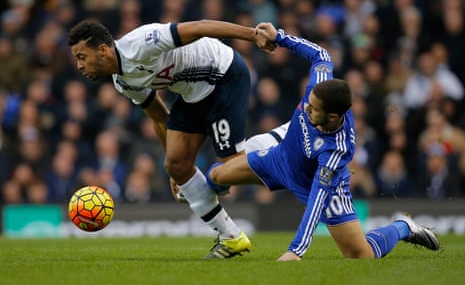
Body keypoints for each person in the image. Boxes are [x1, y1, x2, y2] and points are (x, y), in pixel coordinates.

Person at [206, 23, 440, 261]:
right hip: (281, 158)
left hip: (315, 185)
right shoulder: (319, 86)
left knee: (361, 256)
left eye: (314, 108)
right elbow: (321, 54)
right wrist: (280, 37)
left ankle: (403, 227)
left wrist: (295, 251)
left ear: (332, 118)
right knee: (215, 176)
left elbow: (317, 200)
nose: (306, 107)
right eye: (309, 101)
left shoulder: (336, 150)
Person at [67, 19, 275, 258]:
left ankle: (283, 157)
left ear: (102, 50)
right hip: (191, 94)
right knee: (175, 164)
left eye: (81, 56)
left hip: (223, 75)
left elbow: (200, 27)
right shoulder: (123, 81)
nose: (79, 66)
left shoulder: (140, 43)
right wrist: (177, 173)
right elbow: (158, 116)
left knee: (232, 165)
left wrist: (253, 34)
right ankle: (231, 237)